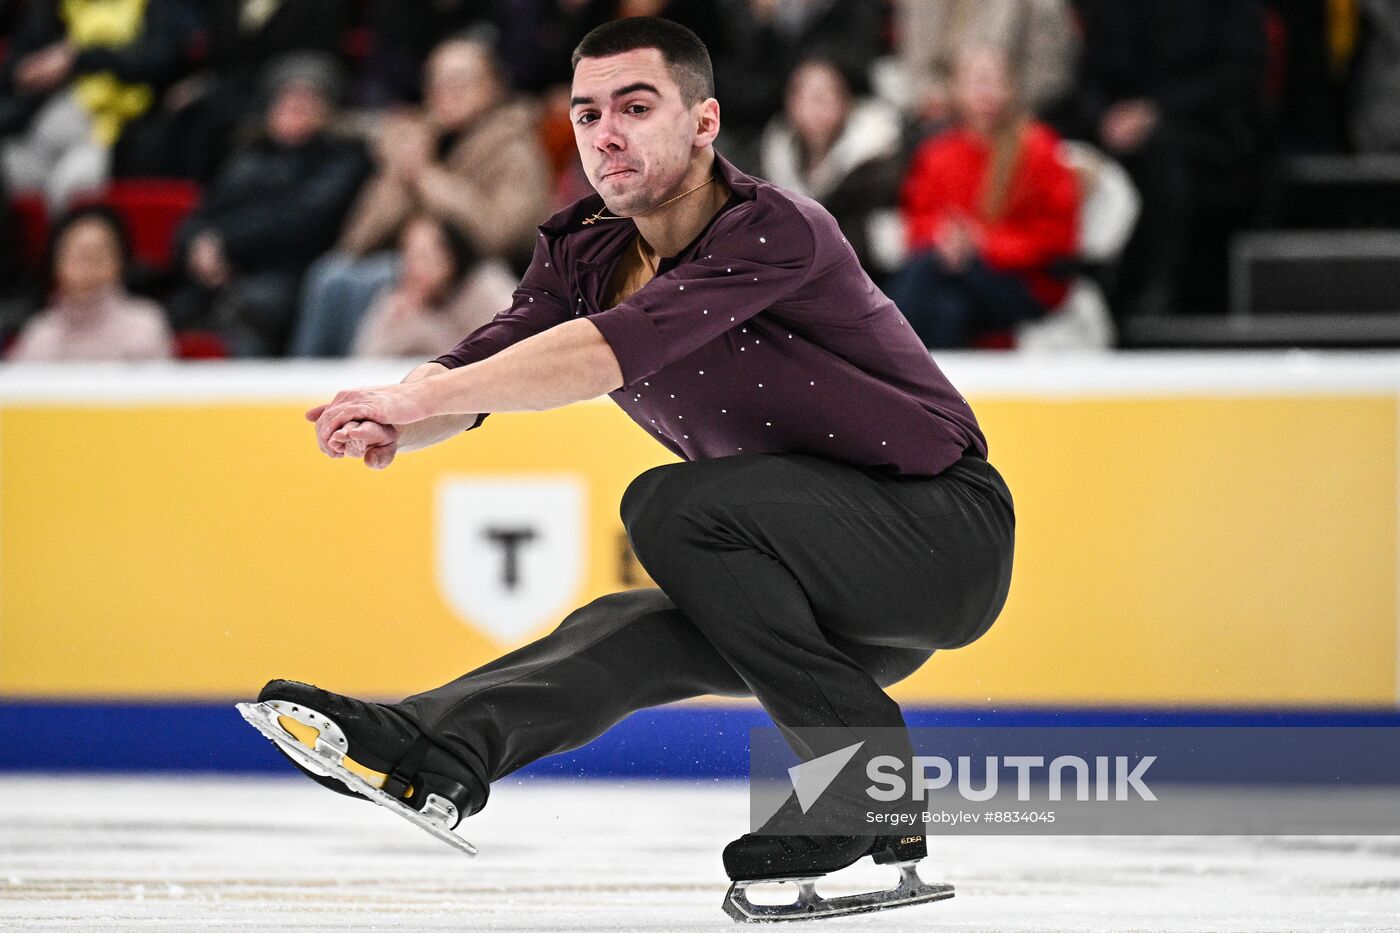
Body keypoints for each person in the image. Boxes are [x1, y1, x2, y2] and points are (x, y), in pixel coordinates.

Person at [244, 17, 1014, 922]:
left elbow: (609, 350)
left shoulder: (773, 230)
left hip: (937, 538)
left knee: (671, 506)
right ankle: (432, 747)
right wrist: (400, 411)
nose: (604, 132)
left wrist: (413, 401)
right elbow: (483, 362)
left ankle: (863, 785)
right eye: (585, 113)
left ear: (704, 121)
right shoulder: (585, 253)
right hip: (813, 579)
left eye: (636, 106)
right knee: (625, 628)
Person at [291, 35, 551, 358]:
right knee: (331, 272)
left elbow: (498, 235)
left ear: (494, 86)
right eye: (435, 81)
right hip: (406, 262)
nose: (445, 92)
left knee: (358, 284)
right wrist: (399, 177)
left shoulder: (515, 149)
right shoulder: (420, 141)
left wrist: (427, 176)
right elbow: (356, 240)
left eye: (459, 80)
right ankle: (303, 383)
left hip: (472, 275)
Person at [168, 52, 370, 357]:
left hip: (293, 277)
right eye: (286, 95)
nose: (294, 105)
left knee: (251, 311)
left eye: (307, 97)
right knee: (163, 316)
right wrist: (197, 244)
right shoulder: (245, 155)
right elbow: (202, 214)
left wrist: (226, 244)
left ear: (328, 108)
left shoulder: (343, 158)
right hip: (224, 274)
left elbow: (305, 223)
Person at [890, 44, 1079, 349]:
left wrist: (982, 243)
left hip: (1024, 282)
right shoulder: (937, 153)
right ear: (957, 89)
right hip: (952, 274)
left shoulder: (1038, 148)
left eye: (994, 81)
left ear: (1011, 88)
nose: (986, 92)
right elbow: (916, 223)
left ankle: (887, 360)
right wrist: (945, 239)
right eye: (977, 82)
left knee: (925, 273)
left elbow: (1057, 239)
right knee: (948, 308)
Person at [758, 55, 903, 278]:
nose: (815, 106)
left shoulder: (876, 160)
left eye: (824, 96)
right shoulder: (775, 157)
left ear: (846, 102)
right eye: (805, 96)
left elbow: (873, 242)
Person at [7, 204, 172, 361]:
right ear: (55, 264)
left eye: (98, 255)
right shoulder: (40, 333)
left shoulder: (144, 324)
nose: (88, 266)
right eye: (79, 255)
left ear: (121, 262)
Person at [351, 213, 517, 358]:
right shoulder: (401, 297)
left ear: (451, 256)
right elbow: (363, 361)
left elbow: (515, 345)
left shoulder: (486, 287)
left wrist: (429, 330)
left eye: (424, 257)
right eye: (408, 256)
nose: (414, 268)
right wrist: (397, 325)